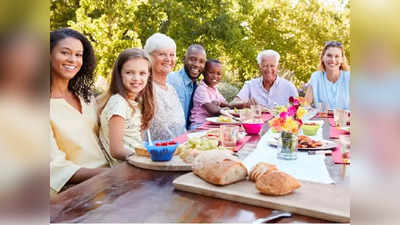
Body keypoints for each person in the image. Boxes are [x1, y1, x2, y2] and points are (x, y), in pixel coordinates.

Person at [50, 28, 110, 193]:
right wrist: (110, 174)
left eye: (78, 55)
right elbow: (55, 167)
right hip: (75, 190)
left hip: (109, 178)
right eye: (65, 53)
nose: (73, 60)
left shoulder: (86, 97)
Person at [98, 48, 154, 163]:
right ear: (119, 74)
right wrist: (148, 157)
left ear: (149, 76)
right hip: (126, 168)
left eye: (142, 73)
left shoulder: (135, 102)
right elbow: (117, 151)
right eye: (129, 73)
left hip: (137, 162)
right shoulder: (118, 103)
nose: (136, 78)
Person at [143, 33, 186, 141]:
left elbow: (180, 127)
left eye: (172, 55)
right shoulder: (144, 88)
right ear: (149, 57)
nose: (168, 59)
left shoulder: (171, 89)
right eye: (162, 54)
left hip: (180, 148)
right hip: (157, 153)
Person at [231, 50, 298, 108]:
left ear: (278, 67)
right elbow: (233, 103)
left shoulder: (289, 87)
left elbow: (298, 110)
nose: (269, 70)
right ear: (259, 67)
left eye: (272, 66)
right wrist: (244, 104)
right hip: (256, 122)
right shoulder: (250, 85)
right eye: (265, 66)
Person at [167, 44, 206, 129]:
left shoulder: (198, 88)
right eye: (192, 59)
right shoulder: (171, 80)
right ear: (184, 59)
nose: (197, 64)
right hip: (170, 138)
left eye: (201, 61)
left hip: (188, 136)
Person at [305, 41, 350, 110]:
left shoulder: (349, 77)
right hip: (322, 120)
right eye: (329, 55)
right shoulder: (316, 77)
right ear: (323, 58)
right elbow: (305, 105)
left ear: (342, 59)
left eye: (337, 56)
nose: (333, 60)